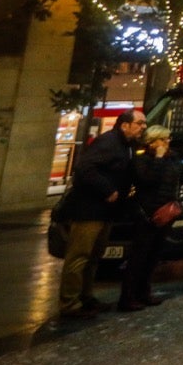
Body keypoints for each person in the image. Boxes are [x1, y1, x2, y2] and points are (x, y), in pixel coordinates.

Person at [58, 107, 146, 320]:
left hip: (105, 212)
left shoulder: (126, 146)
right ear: (125, 125)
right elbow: (85, 168)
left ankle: (86, 297)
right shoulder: (109, 142)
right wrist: (108, 190)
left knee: (94, 257)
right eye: (140, 123)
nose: (143, 127)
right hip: (89, 211)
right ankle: (70, 303)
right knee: (79, 256)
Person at [119, 124, 183, 311]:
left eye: (168, 138)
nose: (167, 142)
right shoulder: (142, 159)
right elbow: (147, 180)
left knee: (154, 255)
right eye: (163, 139)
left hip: (166, 211)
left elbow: (179, 180)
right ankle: (128, 296)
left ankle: (144, 291)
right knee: (139, 256)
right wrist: (159, 158)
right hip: (148, 214)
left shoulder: (172, 158)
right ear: (152, 142)